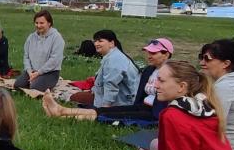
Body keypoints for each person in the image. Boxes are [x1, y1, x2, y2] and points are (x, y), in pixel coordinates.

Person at [44, 37, 173, 122]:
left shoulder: (173, 75)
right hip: (141, 106)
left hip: (155, 113)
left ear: (166, 54)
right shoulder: (149, 71)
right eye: (148, 52)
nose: (149, 56)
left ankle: (63, 115)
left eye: (153, 53)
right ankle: (62, 111)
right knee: (105, 111)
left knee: (111, 116)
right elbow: (140, 94)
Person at [66, 30, 140, 108]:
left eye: (100, 41)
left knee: (75, 97)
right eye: (95, 41)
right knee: (79, 96)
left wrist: (105, 107)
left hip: (122, 101)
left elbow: (111, 85)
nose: (96, 44)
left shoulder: (115, 60)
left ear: (111, 43)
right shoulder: (114, 56)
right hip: (121, 97)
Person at [13, 10, 64, 92]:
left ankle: (42, 82)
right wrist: (29, 72)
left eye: (41, 23)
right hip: (32, 71)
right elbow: (26, 56)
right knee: (18, 85)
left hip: (50, 72)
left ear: (49, 23)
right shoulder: (31, 37)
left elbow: (54, 60)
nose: (38, 25)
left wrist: (39, 73)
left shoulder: (57, 38)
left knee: (34, 87)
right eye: (36, 23)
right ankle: (33, 80)